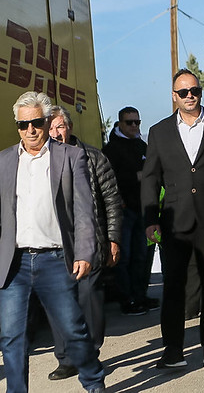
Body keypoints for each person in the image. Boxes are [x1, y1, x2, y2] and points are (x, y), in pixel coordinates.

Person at [0, 92, 105, 392]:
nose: (30, 130)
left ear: (46, 122)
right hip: (14, 263)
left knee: (73, 330)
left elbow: (84, 209)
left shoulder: (70, 156)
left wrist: (84, 252)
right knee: (11, 337)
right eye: (23, 124)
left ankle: (93, 382)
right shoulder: (4, 161)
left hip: (55, 260)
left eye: (36, 122)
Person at [141, 69, 204, 369]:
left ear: (200, 92)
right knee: (173, 288)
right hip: (175, 223)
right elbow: (150, 179)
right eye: (183, 92)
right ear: (174, 96)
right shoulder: (159, 132)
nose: (189, 96)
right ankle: (173, 349)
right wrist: (150, 218)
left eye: (194, 90)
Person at [46, 107, 122, 382]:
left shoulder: (93, 157)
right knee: (58, 301)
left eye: (59, 126)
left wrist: (113, 238)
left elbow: (112, 200)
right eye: (50, 128)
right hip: (55, 245)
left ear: (69, 126)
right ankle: (66, 359)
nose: (55, 133)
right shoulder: (41, 161)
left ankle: (89, 353)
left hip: (90, 242)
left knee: (89, 298)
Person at [102, 106, 151, 315]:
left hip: (142, 209)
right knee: (124, 257)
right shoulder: (111, 150)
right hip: (123, 211)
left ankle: (140, 296)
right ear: (120, 124)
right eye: (129, 122)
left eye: (137, 122)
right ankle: (127, 299)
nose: (134, 126)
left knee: (141, 256)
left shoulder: (142, 145)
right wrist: (137, 177)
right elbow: (109, 180)